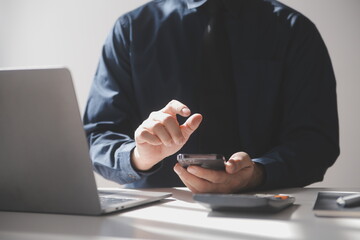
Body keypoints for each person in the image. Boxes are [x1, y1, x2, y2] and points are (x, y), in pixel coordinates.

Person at [83, 0, 340, 193]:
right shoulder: (131, 30)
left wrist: (257, 173)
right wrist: (139, 157)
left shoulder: (294, 31)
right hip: (154, 217)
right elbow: (98, 135)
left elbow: (316, 141)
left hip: (267, 209)